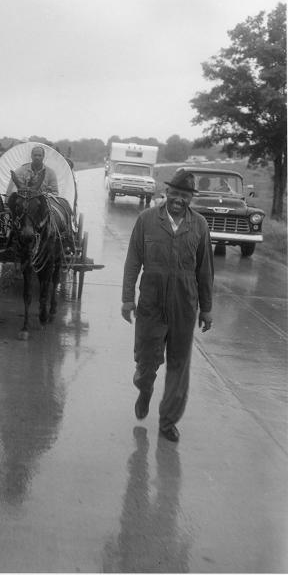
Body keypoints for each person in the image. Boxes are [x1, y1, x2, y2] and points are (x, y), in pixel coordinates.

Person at [121, 168, 214, 443]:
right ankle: (145, 388)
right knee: (146, 361)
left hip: (185, 303)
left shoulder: (200, 226)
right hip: (151, 301)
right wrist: (128, 298)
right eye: (175, 193)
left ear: (190, 199)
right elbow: (132, 261)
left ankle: (168, 421)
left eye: (185, 195)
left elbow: (205, 270)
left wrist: (207, 308)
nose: (179, 199)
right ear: (167, 193)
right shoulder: (146, 220)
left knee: (179, 363)